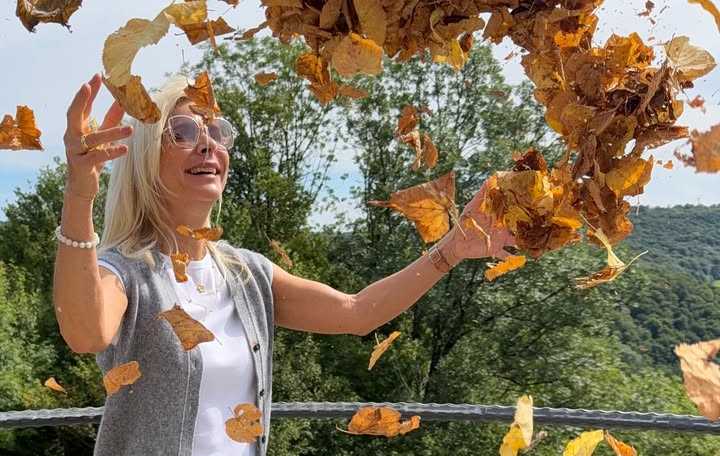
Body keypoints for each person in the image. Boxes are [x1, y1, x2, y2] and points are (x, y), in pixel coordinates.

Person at [54, 72, 516, 456]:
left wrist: (453, 248)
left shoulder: (246, 275)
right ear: (144, 158)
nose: (208, 143)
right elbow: (86, 333)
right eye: (184, 132)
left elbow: (358, 313)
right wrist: (79, 194)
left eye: (217, 130)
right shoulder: (126, 272)